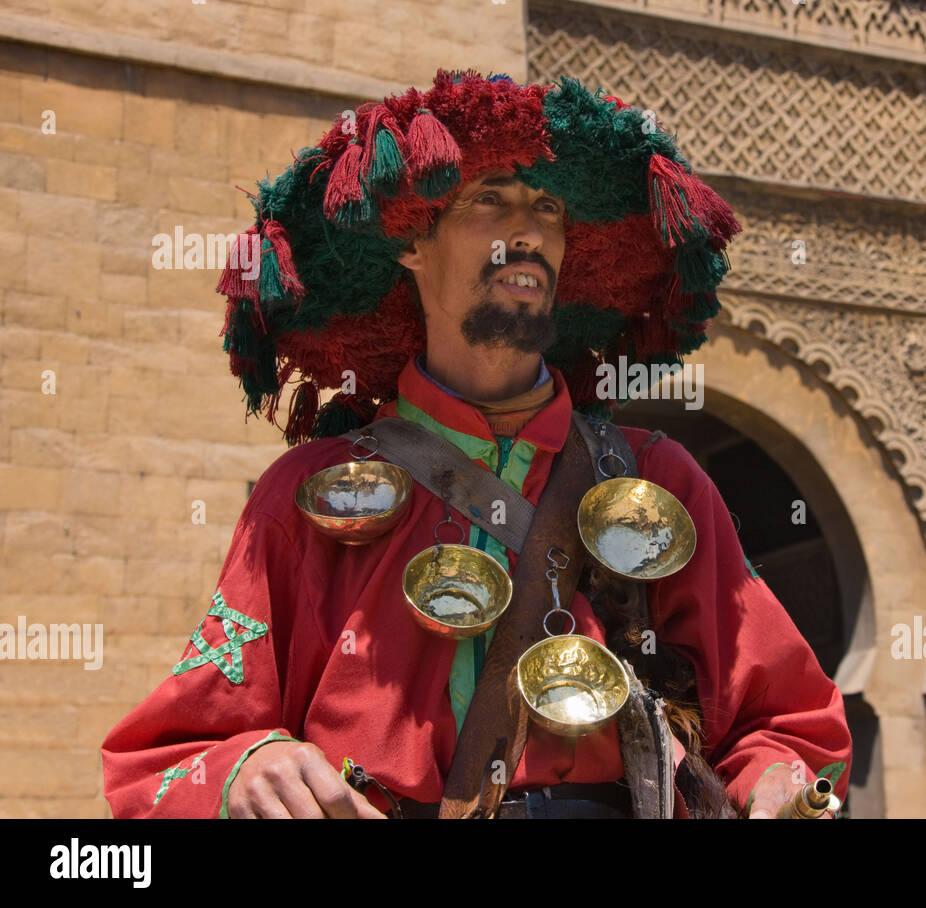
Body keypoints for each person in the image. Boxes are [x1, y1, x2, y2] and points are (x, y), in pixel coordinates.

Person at [101, 70, 851, 819]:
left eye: (547, 208)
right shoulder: (306, 491)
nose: (526, 230)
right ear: (411, 245)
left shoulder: (657, 480)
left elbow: (787, 721)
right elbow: (167, 760)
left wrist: (780, 779)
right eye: (489, 199)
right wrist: (248, 767)